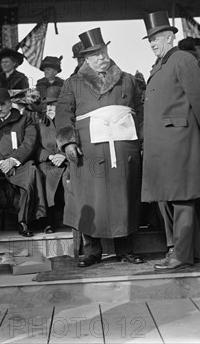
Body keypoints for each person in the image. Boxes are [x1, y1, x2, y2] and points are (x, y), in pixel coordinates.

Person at [55, 27, 144, 267]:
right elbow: (63, 114)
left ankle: (126, 249)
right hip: (89, 152)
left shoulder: (127, 79)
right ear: (85, 59)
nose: (101, 58)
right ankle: (92, 252)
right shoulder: (72, 83)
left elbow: (141, 111)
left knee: (124, 197)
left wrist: (142, 141)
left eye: (103, 52)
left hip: (124, 150)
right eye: (94, 55)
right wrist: (69, 142)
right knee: (90, 198)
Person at [141, 11, 200, 270]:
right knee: (170, 197)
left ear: (171, 37)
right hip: (163, 145)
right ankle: (194, 251)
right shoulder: (160, 64)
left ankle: (182, 255)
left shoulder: (181, 59)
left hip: (178, 142)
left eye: (157, 38)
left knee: (182, 198)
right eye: (150, 40)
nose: (152, 43)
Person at [0, 88, 47, 238]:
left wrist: (12, 160)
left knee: (31, 173)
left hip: (18, 163)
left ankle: (24, 221)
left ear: (10, 104)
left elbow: (29, 142)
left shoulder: (24, 120)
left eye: (2, 104)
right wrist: (0, 162)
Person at [35, 86, 69, 234]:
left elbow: (78, 143)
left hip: (68, 162)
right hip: (48, 163)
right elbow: (35, 147)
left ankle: (73, 220)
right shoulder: (40, 124)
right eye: (47, 104)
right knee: (44, 177)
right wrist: (50, 156)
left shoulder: (70, 122)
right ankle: (48, 221)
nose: (49, 108)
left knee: (70, 178)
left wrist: (64, 156)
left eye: (53, 104)